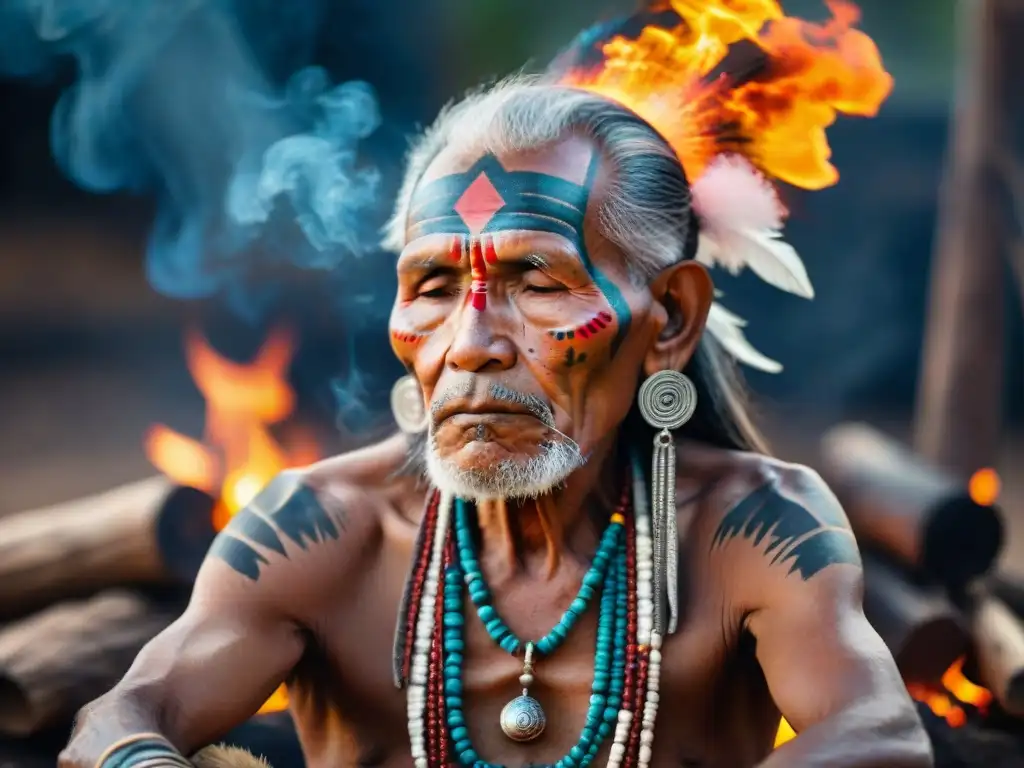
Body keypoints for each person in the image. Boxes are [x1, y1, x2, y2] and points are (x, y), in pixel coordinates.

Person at [60, 3, 932, 767]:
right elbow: (124, 720)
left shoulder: (752, 530)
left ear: (668, 318)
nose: (470, 343)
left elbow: (879, 733)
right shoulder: (321, 533)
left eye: (540, 283)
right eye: (433, 288)